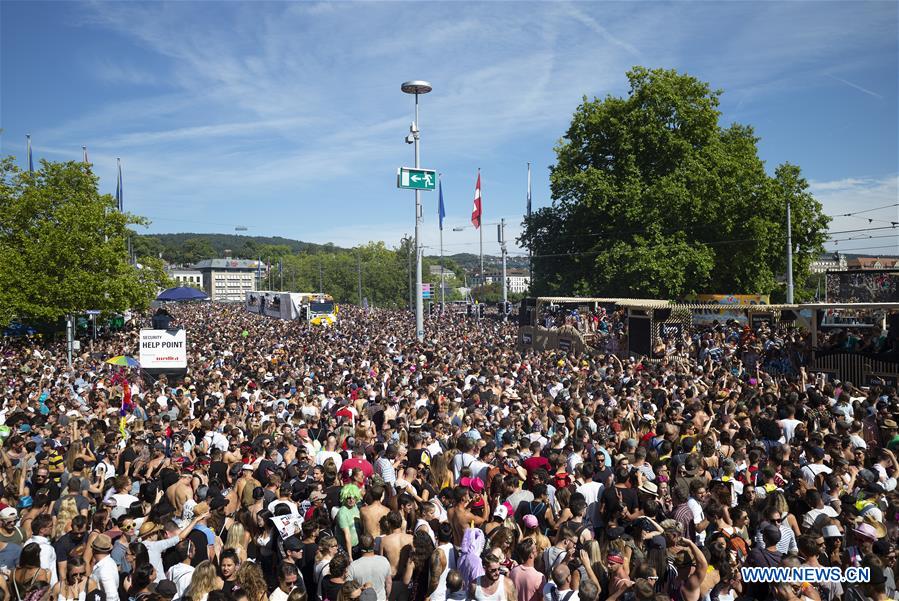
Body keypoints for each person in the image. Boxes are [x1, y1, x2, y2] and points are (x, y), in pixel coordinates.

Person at [348, 535, 391, 601]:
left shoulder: (353, 566)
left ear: (360, 546)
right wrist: (387, 597)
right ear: (374, 545)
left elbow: (349, 590)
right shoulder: (384, 561)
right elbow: (388, 583)